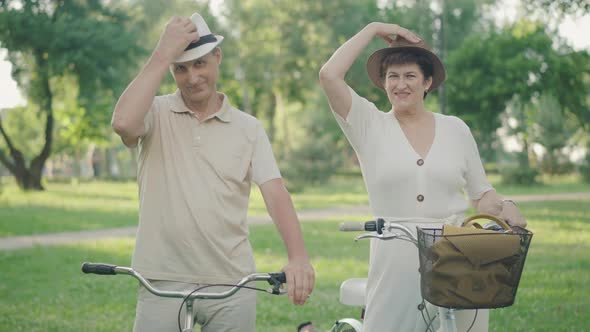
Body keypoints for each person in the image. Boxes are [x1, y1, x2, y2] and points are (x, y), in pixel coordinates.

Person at [111, 12, 315, 332]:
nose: (192, 77)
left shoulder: (249, 128)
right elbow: (123, 124)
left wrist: (298, 257)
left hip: (232, 282)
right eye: (181, 68)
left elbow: (275, 192)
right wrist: (162, 52)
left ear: (217, 57)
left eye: (200, 64)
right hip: (163, 279)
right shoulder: (154, 112)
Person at [319, 22, 526, 331]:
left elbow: (482, 193)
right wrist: (373, 29)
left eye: (410, 76)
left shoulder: (456, 129)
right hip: (393, 261)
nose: (400, 84)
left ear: (427, 82)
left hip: (458, 260)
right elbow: (329, 75)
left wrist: (506, 205)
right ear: (384, 83)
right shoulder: (368, 125)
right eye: (393, 76)